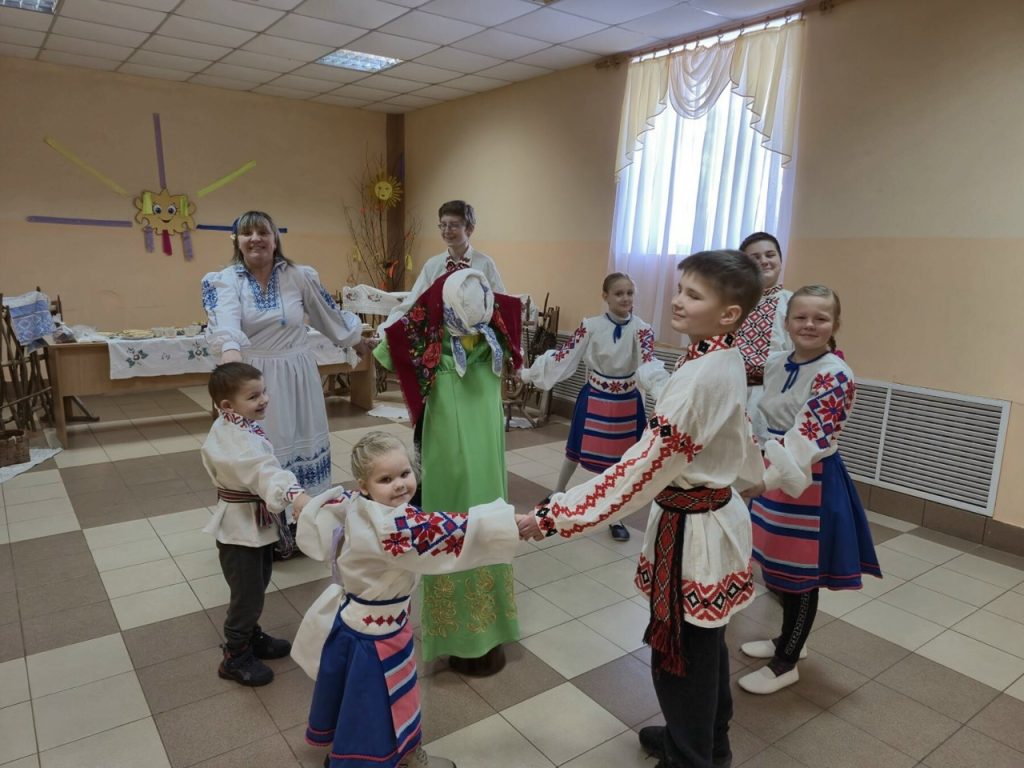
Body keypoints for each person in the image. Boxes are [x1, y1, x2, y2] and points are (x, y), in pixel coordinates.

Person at [520, 251, 766, 768]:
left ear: (728, 314)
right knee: (705, 647)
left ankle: (691, 756)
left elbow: (641, 470)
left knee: (682, 655)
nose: (677, 299)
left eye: (693, 294)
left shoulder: (703, 375)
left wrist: (555, 515)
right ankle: (702, 742)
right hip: (708, 517)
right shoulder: (718, 355)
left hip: (693, 531)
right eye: (680, 288)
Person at [293, 431, 527, 768]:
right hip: (376, 638)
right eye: (386, 479)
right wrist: (510, 523)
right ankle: (369, 760)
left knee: (368, 700)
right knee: (376, 706)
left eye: (404, 473)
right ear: (364, 485)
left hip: (362, 625)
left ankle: (397, 752)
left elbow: (331, 505)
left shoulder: (357, 503)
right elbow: (451, 529)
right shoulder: (394, 526)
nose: (400, 484)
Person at [374, 268, 522, 676]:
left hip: (484, 462)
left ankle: (487, 632)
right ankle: (462, 637)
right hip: (449, 463)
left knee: (488, 528)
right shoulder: (425, 335)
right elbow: (386, 350)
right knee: (453, 531)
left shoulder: (496, 335)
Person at [738, 285, 881, 695]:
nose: (809, 325)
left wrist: (764, 481)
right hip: (774, 468)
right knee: (776, 564)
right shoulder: (776, 363)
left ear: (835, 324)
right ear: (786, 322)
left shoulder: (835, 374)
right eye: (800, 317)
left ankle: (787, 662)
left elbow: (809, 437)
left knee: (800, 574)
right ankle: (788, 640)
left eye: (821, 318)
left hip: (810, 479)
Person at [202, 211, 366, 554]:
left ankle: (308, 522)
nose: (255, 239)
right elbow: (226, 328)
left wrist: (357, 341)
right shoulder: (226, 280)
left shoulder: (298, 276)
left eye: (263, 232)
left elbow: (328, 315)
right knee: (263, 449)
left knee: (303, 443)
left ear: (275, 238)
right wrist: (236, 381)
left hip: (298, 373)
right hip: (255, 377)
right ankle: (271, 531)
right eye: (247, 233)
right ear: (237, 241)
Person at [519, 273, 667, 542]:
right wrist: (530, 374)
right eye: (619, 293)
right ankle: (557, 491)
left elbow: (649, 364)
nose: (625, 298)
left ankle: (615, 515)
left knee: (624, 461)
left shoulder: (642, 329)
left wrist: (666, 393)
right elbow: (565, 355)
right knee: (574, 448)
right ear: (605, 296)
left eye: (629, 293)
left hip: (626, 401)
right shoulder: (591, 326)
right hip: (595, 396)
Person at [200, 362, 313, 686]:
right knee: (247, 594)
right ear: (227, 405)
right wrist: (295, 495)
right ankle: (235, 654)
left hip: (253, 523)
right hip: (239, 531)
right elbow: (262, 471)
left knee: (259, 582)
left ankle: (251, 635)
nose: (263, 400)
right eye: (253, 396)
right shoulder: (235, 441)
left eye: (263, 392)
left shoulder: (236, 424)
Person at [379, 200, 504, 331]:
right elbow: (412, 303)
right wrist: (386, 330)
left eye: (454, 225)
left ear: (469, 229)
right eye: (443, 225)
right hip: (439, 335)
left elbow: (501, 303)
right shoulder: (433, 265)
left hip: (477, 335)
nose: (447, 231)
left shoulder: (485, 264)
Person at [735, 232, 793, 440]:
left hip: (772, 393)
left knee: (764, 451)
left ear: (780, 260)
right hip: (732, 390)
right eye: (755, 257)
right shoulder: (732, 304)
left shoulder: (793, 303)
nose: (764, 261)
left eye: (770, 255)